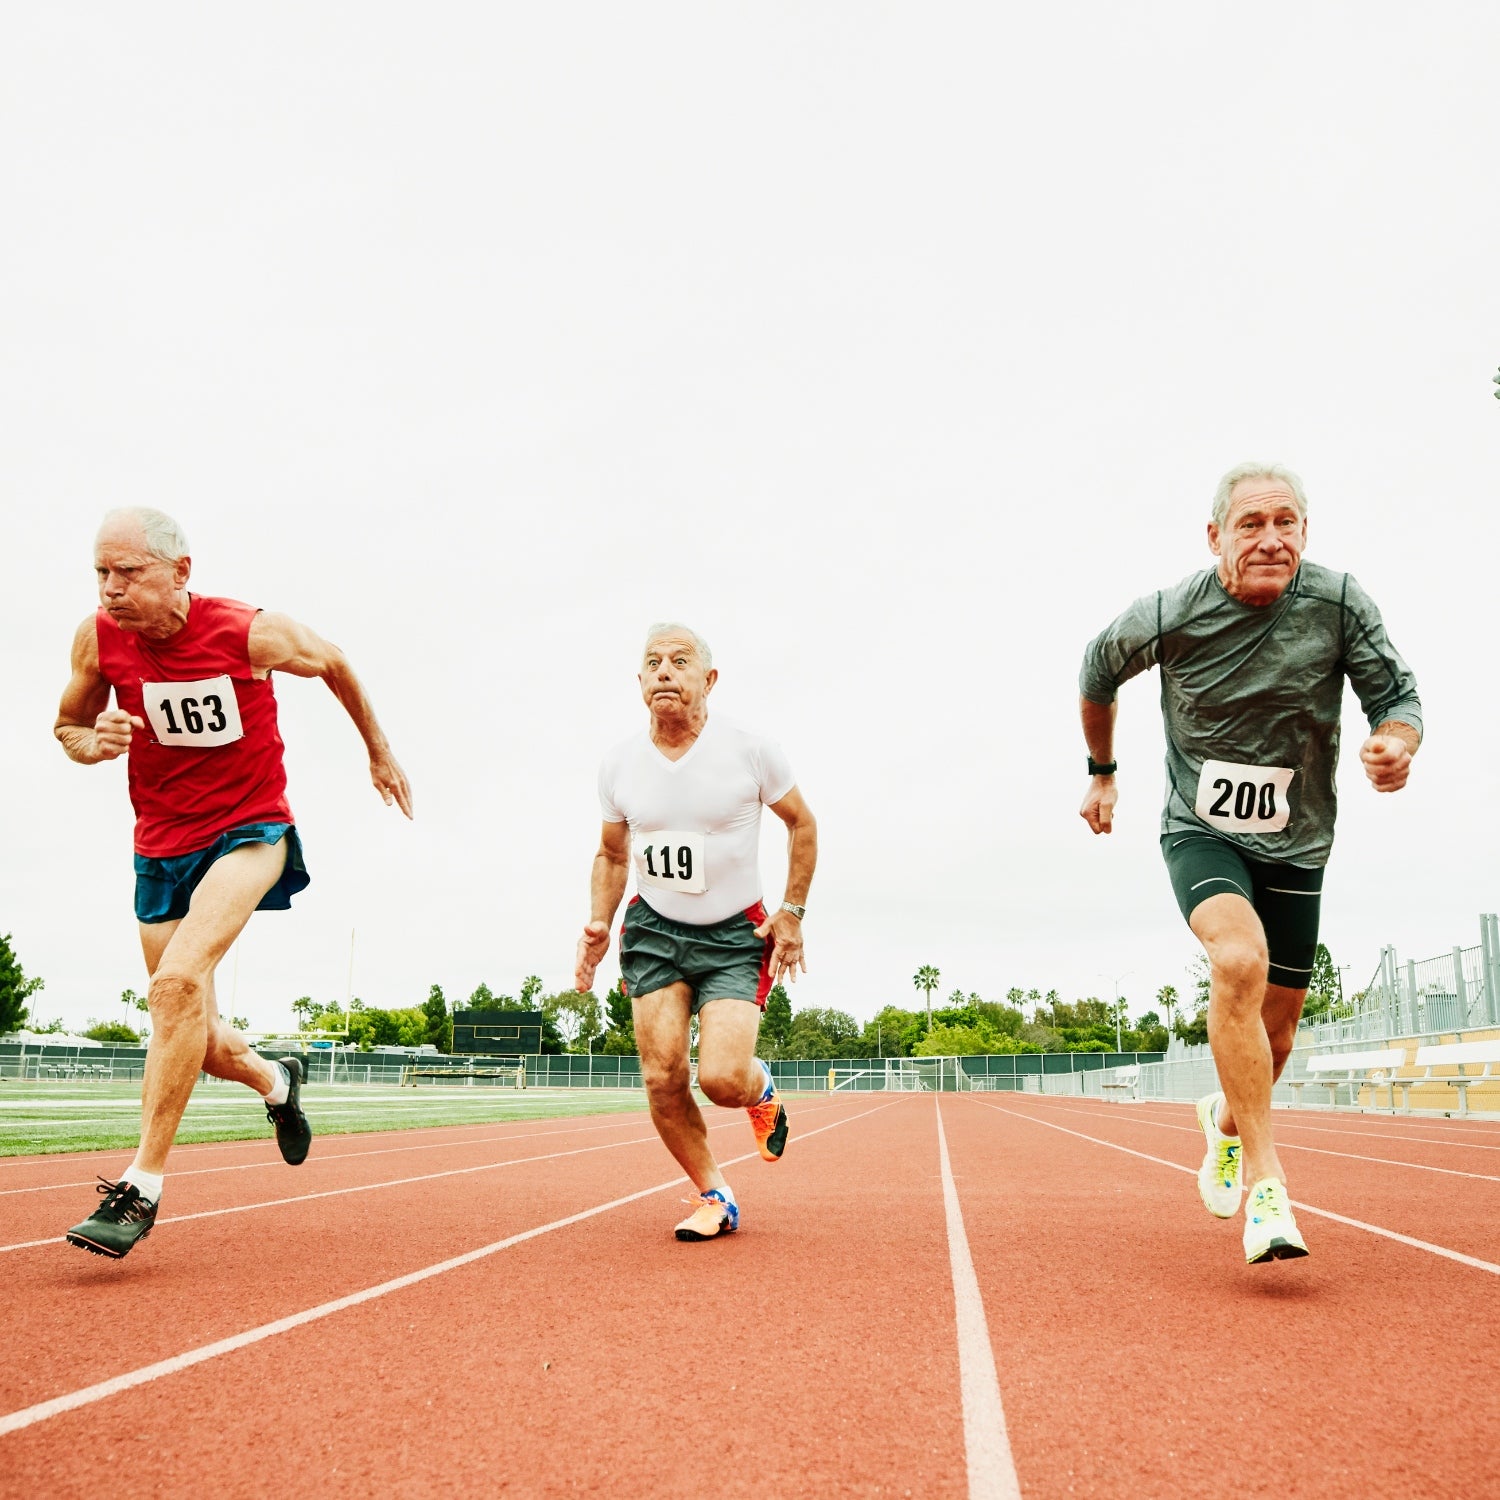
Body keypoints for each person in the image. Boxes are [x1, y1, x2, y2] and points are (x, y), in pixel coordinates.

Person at [1077, 464, 1421, 1265]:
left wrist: (1396, 743)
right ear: (1215, 536)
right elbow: (1097, 668)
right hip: (1204, 831)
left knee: (1280, 1033)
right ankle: (1267, 1186)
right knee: (1238, 959)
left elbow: (1397, 697)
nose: (1271, 539)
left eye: (1287, 523)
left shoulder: (1338, 604)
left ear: (1305, 531)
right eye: (1250, 524)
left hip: (1299, 842)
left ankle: (1226, 1120)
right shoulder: (1168, 614)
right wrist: (1102, 771)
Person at [55, 508, 413, 1258]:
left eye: (128, 573)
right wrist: (96, 743)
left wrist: (378, 754)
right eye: (100, 573)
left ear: (180, 572)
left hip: (251, 830)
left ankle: (141, 1186)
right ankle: (277, 1082)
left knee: (177, 984)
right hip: (160, 844)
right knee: (195, 1034)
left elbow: (337, 661)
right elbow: (68, 726)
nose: (111, 589)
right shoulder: (98, 637)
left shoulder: (249, 632)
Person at [574, 624, 816, 1242]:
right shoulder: (619, 764)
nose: (664, 672)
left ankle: (760, 1091)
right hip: (654, 930)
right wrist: (600, 923)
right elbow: (611, 854)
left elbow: (802, 825)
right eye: (652, 662)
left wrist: (792, 910)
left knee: (722, 1080)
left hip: (735, 934)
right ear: (639, 683)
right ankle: (716, 1195)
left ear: (708, 680)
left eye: (679, 662)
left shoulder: (751, 751)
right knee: (662, 1077)